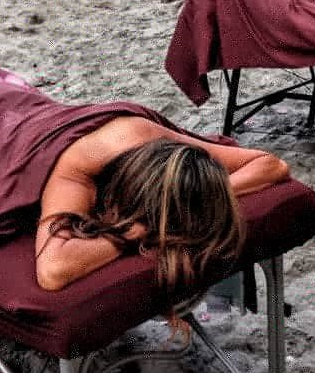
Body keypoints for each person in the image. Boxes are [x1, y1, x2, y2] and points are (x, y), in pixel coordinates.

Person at [34, 115, 290, 293]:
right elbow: (53, 270)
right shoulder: (78, 174)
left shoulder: (145, 136)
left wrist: (200, 195)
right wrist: (134, 232)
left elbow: (271, 165)